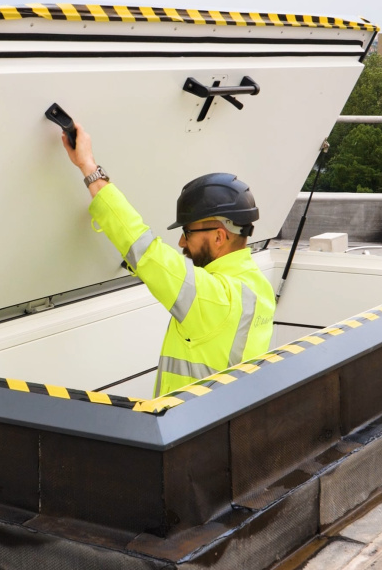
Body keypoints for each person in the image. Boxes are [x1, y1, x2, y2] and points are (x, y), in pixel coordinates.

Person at [57, 121, 275, 396]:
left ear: (219, 237)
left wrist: (88, 166)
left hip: (188, 421)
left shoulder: (214, 298)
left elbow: (145, 249)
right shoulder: (259, 288)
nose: (182, 242)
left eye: (188, 232)